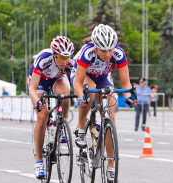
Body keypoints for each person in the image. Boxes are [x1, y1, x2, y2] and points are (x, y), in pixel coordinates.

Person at [71, 24, 137, 181]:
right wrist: (81, 97)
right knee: (90, 89)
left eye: (111, 49)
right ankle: (81, 127)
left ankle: (110, 166)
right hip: (83, 76)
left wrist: (128, 96)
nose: (108, 54)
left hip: (103, 77)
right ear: (95, 48)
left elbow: (125, 82)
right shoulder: (87, 53)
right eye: (103, 50)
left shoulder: (118, 54)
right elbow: (79, 83)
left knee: (111, 115)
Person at [29, 36, 74, 179]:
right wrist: (37, 101)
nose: (64, 61)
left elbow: (76, 81)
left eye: (66, 57)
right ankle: (38, 161)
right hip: (41, 80)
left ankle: (61, 126)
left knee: (65, 96)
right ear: (54, 55)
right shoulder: (43, 59)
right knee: (42, 116)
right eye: (60, 58)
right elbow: (32, 89)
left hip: (56, 79)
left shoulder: (71, 62)